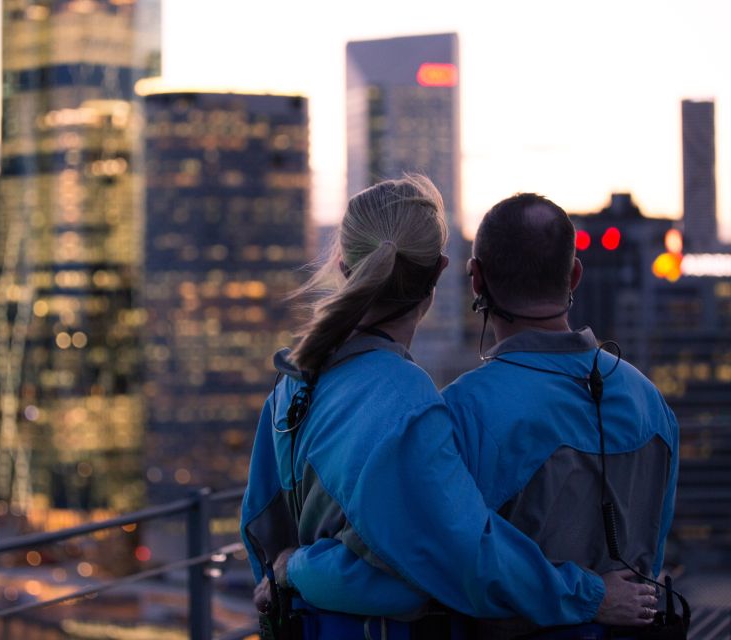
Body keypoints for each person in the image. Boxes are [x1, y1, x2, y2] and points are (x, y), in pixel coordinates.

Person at [240, 177, 656, 639]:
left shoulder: (292, 384)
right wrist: (591, 594)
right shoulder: (406, 402)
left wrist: (288, 569)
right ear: (440, 271)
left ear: (344, 266)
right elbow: (443, 565)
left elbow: (260, 526)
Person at [441, 193, 679, 637]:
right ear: (575, 274)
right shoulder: (651, 402)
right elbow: (655, 549)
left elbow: (458, 565)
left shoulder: (461, 411)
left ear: (476, 281)